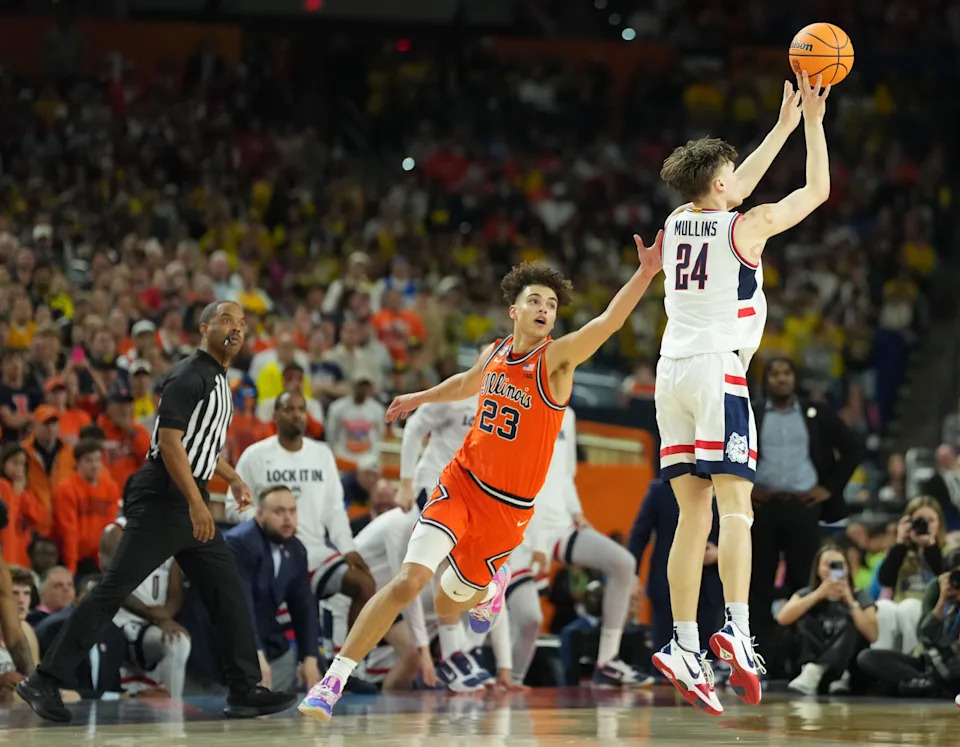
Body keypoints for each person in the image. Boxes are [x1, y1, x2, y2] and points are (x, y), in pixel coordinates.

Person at [300, 233, 664, 721]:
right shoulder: (493, 352)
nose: (544, 309)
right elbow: (467, 384)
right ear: (513, 310)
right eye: (534, 300)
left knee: (449, 607)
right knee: (410, 582)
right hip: (461, 482)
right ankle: (333, 679)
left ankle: (491, 583)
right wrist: (419, 398)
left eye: (552, 304)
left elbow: (608, 322)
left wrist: (644, 274)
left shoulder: (556, 361)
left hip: (507, 510)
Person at [16, 301, 298, 722]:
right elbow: (168, 444)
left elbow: (197, 446)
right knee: (112, 590)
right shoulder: (189, 375)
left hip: (187, 495)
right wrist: (196, 501)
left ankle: (243, 689)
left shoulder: (220, 379)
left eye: (241, 324)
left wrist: (232, 478)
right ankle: (44, 679)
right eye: (226, 320)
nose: (235, 329)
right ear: (204, 328)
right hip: (165, 497)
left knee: (228, 592)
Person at [651, 71, 831, 716]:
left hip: (668, 375)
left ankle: (683, 643)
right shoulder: (745, 228)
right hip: (716, 369)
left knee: (689, 518)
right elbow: (818, 190)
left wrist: (778, 125)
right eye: (732, 172)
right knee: (737, 511)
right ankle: (738, 631)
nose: (738, 177)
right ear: (722, 184)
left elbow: (737, 185)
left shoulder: (677, 220)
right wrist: (810, 120)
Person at [509, 406, 645, 687]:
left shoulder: (567, 416)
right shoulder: (522, 405)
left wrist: (576, 511)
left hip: (560, 525)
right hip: (521, 528)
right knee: (526, 618)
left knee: (623, 563)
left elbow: (566, 476)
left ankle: (607, 660)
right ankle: (508, 678)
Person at [750, 357, 864, 667]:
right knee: (757, 585)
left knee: (804, 583)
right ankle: (762, 661)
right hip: (763, 507)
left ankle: (802, 659)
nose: (781, 379)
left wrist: (829, 488)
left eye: (787, 372)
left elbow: (855, 447)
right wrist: (746, 486)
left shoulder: (817, 413)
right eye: (774, 373)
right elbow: (729, 449)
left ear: (794, 378)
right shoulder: (753, 412)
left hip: (804, 508)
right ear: (766, 380)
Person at [229, 391, 376, 626]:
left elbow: (334, 510)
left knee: (365, 584)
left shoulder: (322, 454)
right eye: (289, 409)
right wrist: (262, 527)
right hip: (271, 552)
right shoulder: (254, 456)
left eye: (301, 409)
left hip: (316, 552)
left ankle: (349, 661)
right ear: (275, 415)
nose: (296, 415)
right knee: (287, 628)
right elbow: (233, 505)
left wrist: (348, 548)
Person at [225, 485, 320, 694]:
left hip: (261, 632)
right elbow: (241, 605)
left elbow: (304, 606)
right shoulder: (240, 543)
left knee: (285, 656)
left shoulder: (296, 549)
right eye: (279, 511)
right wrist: (255, 653)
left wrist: (310, 657)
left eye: (292, 511)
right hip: (220, 642)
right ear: (260, 514)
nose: (288, 518)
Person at [628, 479, 723, 654]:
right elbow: (639, 536)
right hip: (666, 583)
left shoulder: (725, 487)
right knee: (666, 653)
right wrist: (631, 577)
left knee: (706, 656)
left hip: (710, 584)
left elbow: (744, 534)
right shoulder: (660, 491)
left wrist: (720, 552)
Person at [100, 518, 191, 699]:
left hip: (153, 624)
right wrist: (157, 617)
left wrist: (166, 616)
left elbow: (175, 591)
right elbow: (113, 584)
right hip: (120, 621)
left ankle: (172, 712)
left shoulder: (172, 536)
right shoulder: (116, 531)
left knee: (178, 641)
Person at [777, 545, 877, 695]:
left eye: (839, 565)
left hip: (846, 666)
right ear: (817, 569)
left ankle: (829, 670)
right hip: (808, 662)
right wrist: (818, 594)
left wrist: (850, 602)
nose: (833, 569)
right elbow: (782, 618)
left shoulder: (859, 595)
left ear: (847, 569)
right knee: (803, 619)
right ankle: (812, 670)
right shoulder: (807, 593)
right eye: (828, 564)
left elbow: (873, 634)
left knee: (853, 620)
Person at [870, 496, 945, 655]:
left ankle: (913, 660)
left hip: (933, 611)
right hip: (898, 608)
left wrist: (930, 546)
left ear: (940, 523)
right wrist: (900, 543)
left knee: (909, 606)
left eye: (931, 520)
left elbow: (944, 575)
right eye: (919, 520)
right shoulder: (900, 551)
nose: (925, 525)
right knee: (884, 607)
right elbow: (885, 580)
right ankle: (881, 662)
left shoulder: (948, 551)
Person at [52, 439, 122, 575]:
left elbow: (110, 526)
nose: (94, 465)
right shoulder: (66, 489)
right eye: (88, 461)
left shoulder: (111, 488)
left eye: (97, 460)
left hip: (101, 558)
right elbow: (68, 531)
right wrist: (71, 568)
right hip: (75, 558)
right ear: (77, 463)